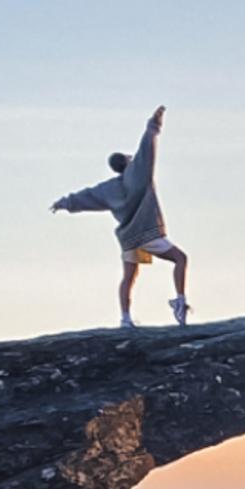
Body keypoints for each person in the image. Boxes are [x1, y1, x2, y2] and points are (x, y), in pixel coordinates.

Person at [51, 105, 190, 328]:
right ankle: (180, 301)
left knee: (129, 276)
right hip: (147, 232)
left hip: (128, 238)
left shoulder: (109, 188)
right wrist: (154, 124)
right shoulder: (139, 173)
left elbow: (87, 196)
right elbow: (147, 148)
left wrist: (64, 203)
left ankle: (125, 318)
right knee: (180, 259)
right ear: (127, 163)